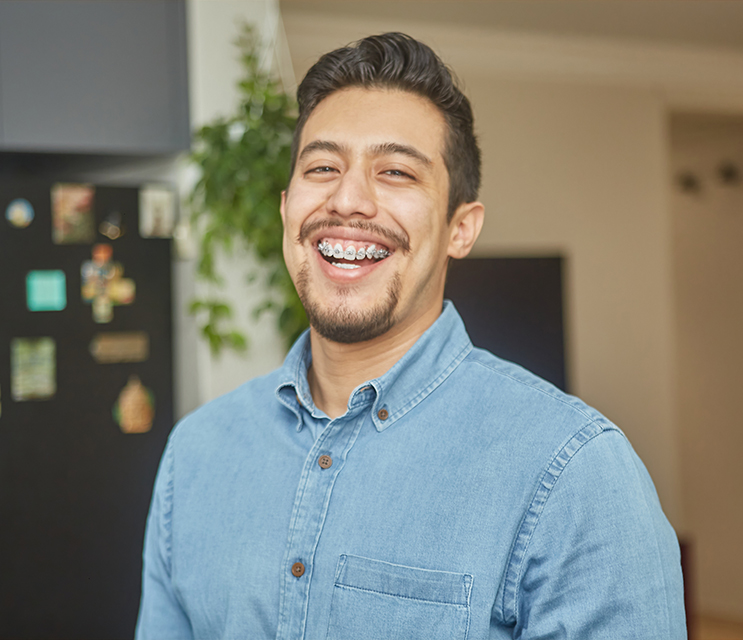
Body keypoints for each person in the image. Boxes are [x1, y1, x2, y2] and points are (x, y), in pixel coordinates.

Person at [136, 32, 686, 639]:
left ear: (460, 228)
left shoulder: (575, 473)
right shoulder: (196, 454)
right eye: (323, 167)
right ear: (288, 208)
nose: (348, 198)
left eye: (396, 171)